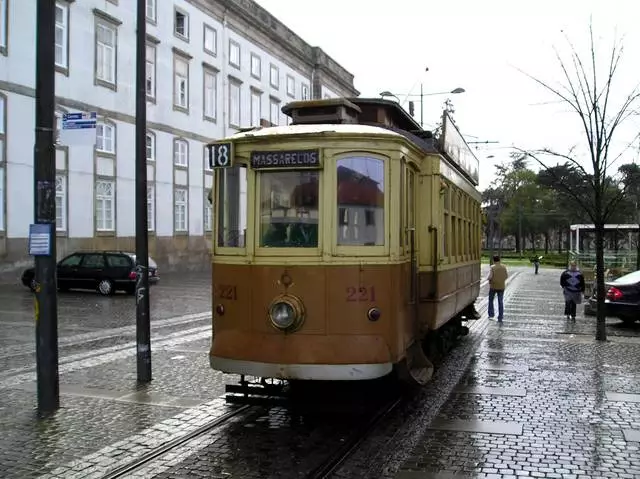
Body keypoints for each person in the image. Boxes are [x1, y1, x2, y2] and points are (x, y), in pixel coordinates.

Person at [487, 255, 508, 322]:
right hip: (501, 286)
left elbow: (490, 277)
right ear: (499, 260)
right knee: (500, 301)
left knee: (491, 300)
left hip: (493, 286)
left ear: (493, 260)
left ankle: (491, 314)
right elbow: (506, 276)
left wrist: (488, 279)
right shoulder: (504, 267)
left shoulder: (492, 267)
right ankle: (500, 316)